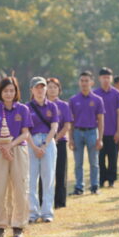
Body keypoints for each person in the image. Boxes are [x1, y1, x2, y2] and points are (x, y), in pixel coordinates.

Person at [0, 76, 32, 237]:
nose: (9, 94)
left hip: (18, 150)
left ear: (16, 92)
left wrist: (10, 146)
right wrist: (1, 147)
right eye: (6, 91)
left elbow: (25, 133)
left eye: (12, 90)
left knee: (20, 188)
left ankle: (19, 225)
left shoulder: (23, 109)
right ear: (1, 92)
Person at [27, 77, 59, 223]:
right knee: (31, 179)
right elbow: (25, 130)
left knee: (48, 178)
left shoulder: (52, 106)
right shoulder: (26, 107)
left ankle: (47, 212)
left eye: (42, 87)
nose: (40, 90)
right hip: (31, 141)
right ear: (32, 90)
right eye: (37, 87)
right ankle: (33, 212)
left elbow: (54, 127)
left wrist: (45, 145)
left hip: (48, 141)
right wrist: (34, 147)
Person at [68, 71, 104, 195]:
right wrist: (71, 138)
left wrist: (100, 138)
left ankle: (94, 186)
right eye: (82, 81)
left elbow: (100, 120)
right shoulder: (73, 100)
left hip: (92, 133)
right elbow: (70, 121)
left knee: (94, 162)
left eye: (86, 81)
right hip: (77, 132)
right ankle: (79, 187)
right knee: (78, 163)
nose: (84, 83)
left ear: (92, 82)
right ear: (79, 82)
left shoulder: (98, 100)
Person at [94, 67, 119, 188]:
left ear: (111, 78)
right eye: (103, 77)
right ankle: (101, 180)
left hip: (113, 131)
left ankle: (111, 180)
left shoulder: (117, 94)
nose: (106, 80)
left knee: (113, 157)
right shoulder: (95, 94)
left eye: (108, 77)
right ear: (99, 79)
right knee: (100, 158)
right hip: (98, 133)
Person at [46, 77, 72, 208]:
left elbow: (67, 125)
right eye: (49, 87)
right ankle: (44, 201)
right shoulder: (40, 105)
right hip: (43, 144)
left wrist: (54, 140)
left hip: (59, 142)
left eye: (54, 87)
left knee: (60, 173)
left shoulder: (64, 106)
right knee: (44, 174)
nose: (52, 90)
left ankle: (60, 202)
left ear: (59, 90)